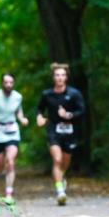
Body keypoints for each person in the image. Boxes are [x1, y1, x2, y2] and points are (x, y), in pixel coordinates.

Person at [36, 63, 85, 205]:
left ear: (66, 77)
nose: (60, 78)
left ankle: (61, 178)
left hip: (69, 131)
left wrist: (68, 115)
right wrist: (39, 118)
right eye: (57, 75)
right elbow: (40, 109)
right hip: (53, 130)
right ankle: (60, 191)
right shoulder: (47, 94)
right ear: (53, 77)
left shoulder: (74, 94)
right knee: (57, 160)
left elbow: (82, 111)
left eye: (62, 75)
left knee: (65, 161)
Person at [0, 73, 28, 202]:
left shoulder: (18, 97)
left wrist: (22, 119)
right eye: (6, 82)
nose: (8, 85)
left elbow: (18, 110)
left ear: (13, 83)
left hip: (12, 130)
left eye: (11, 82)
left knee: (11, 161)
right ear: (2, 83)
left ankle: (9, 193)